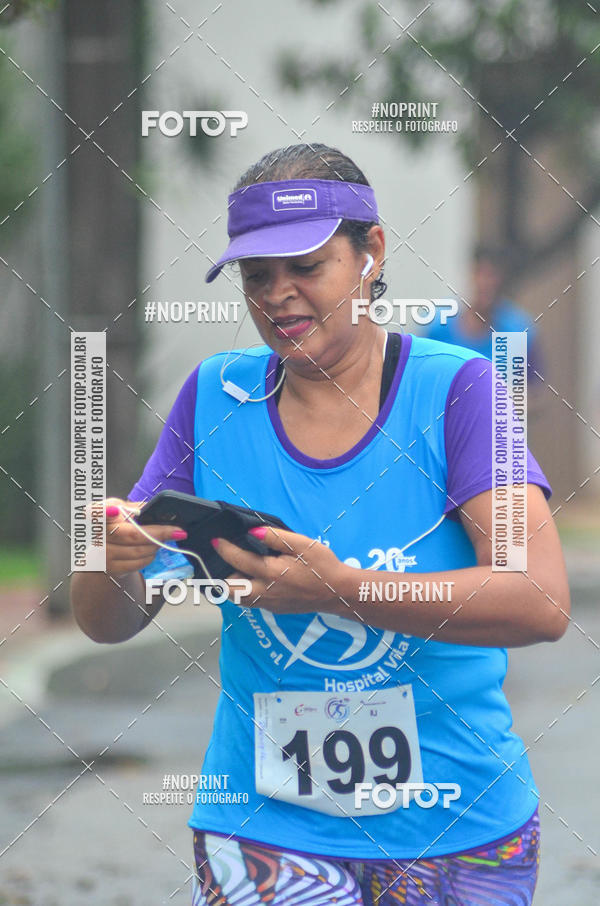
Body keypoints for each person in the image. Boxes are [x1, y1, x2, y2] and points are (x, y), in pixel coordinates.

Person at [71, 144, 570, 906]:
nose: (279, 295)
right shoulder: (214, 398)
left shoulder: (463, 390)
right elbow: (109, 623)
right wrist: (110, 561)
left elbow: (539, 599)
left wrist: (340, 591)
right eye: (256, 275)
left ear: (371, 253)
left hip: (456, 827)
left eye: (306, 266)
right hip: (265, 833)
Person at [424, 246, 544, 404]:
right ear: (471, 275)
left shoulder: (517, 331)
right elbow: (422, 384)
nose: (485, 283)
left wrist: (502, 401)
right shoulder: (439, 327)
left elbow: (535, 394)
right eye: (481, 274)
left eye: (492, 276)